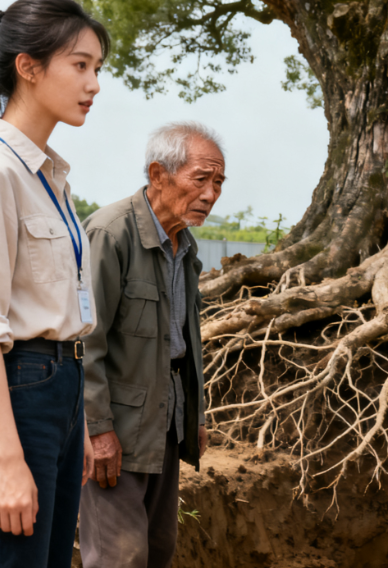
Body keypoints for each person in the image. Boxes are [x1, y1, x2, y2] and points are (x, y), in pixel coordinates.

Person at [79, 122, 225, 568]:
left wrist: (193, 416)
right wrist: (98, 428)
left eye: (218, 182)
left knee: (158, 549)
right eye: (201, 179)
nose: (211, 193)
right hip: (115, 430)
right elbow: (84, 341)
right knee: (119, 557)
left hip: (166, 424)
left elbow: (182, 343)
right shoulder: (110, 233)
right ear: (159, 174)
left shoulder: (186, 246)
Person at [0, 0, 109, 568]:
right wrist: (7, 462)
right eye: (80, 65)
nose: (94, 83)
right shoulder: (1, 171)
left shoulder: (53, 175)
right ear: (28, 66)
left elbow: (66, 307)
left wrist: (81, 420)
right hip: (20, 392)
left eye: (98, 68)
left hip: (62, 385)